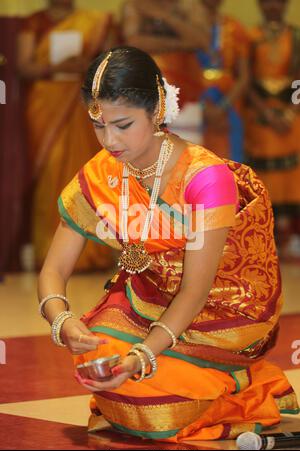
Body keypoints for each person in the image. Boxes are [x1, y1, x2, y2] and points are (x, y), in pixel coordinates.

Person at [38, 46, 299, 442]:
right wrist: (62, 321)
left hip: (221, 310)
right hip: (149, 301)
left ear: (157, 108)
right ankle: (185, 379)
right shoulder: (102, 173)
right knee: (99, 352)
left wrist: (142, 355)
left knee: (156, 414)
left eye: (123, 124)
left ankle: (245, 382)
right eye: (98, 125)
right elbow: (54, 270)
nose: (110, 140)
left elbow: (195, 291)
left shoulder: (205, 178)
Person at [17, 0, 114, 271]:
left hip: (84, 103)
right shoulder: (34, 23)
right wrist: (58, 66)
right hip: (47, 103)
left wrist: (85, 66)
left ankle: (93, 254)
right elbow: (24, 67)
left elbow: (108, 65)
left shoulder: (97, 20)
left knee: (88, 173)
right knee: (50, 176)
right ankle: (49, 253)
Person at [245, 0, 300, 260]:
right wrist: (265, 112)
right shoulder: (250, 37)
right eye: (267, 1)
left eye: (278, 1)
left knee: (292, 175)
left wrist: (291, 111)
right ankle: (267, 239)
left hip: (291, 117)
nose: (272, 6)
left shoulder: (296, 37)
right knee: (264, 174)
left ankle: (291, 238)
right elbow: (245, 79)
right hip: (259, 117)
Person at [120, 0, 210, 143]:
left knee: (188, 152)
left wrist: (164, 16)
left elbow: (202, 40)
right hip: (147, 91)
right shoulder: (136, 4)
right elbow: (134, 41)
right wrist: (182, 44)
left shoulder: (191, 4)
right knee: (149, 149)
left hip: (187, 89)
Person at [193, 0, 249, 162]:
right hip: (194, 105)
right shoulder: (186, 27)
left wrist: (221, 108)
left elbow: (244, 77)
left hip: (229, 106)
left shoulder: (235, 28)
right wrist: (201, 108)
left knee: (229, 164)